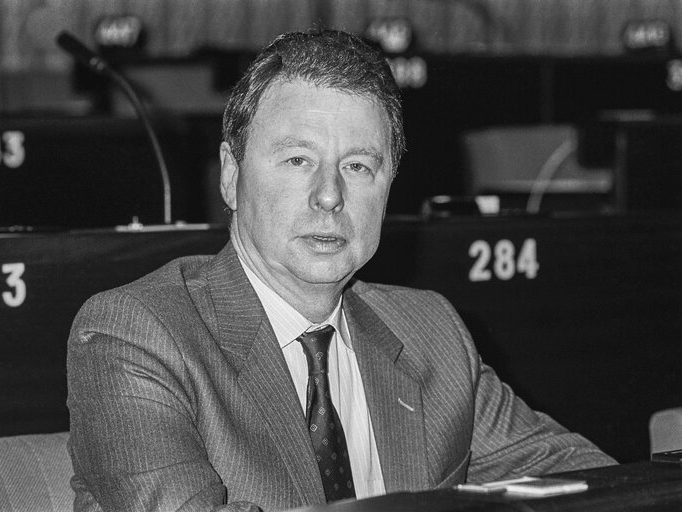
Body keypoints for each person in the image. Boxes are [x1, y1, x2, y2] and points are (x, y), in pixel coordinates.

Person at [67, 29, 616, 512]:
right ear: (231, 175)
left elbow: (594, 483)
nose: (329, 196)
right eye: (297, 160)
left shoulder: (431, 332)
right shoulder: (135, 333)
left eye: (358, 166)